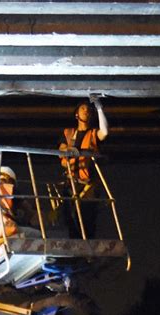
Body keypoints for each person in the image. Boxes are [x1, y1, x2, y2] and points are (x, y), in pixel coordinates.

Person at [58, 96, 108, 239]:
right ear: (77, 114)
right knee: (69, 217)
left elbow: (104, 132)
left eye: (89, 109)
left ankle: (88, 254)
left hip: (88, 185)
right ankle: (76, 253)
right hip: (71, 183)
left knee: (87, 219)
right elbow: (61, 149)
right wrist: (69, 149)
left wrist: (99, 108)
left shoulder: (93, 134)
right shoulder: (68, 133)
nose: (86, 111)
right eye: (83, 108)